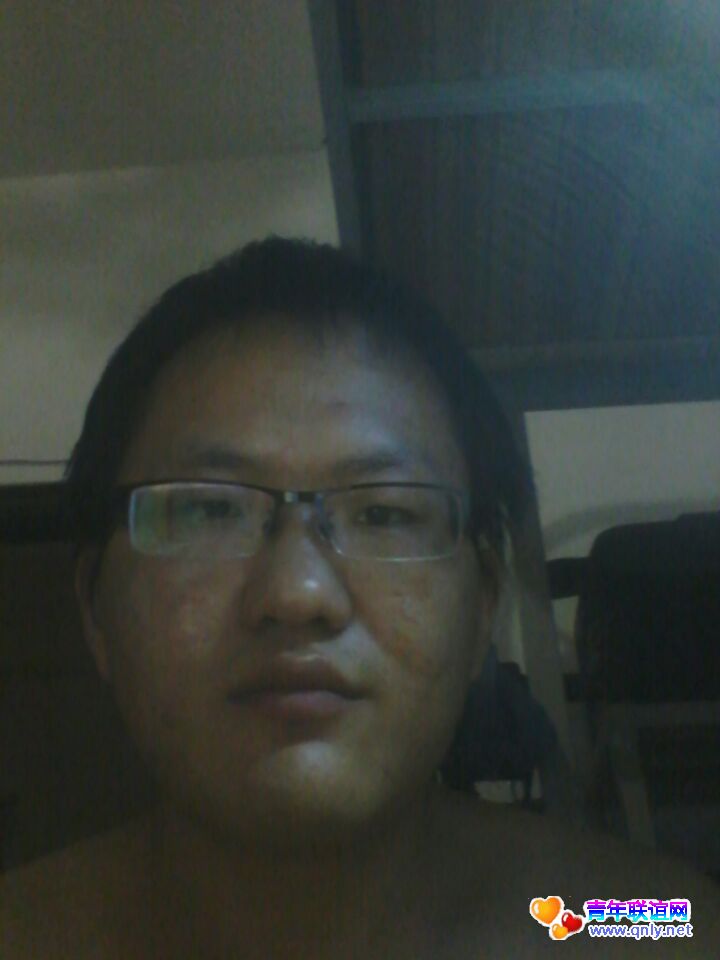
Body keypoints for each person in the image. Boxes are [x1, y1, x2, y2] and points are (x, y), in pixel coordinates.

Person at [2, 238, 718, 958]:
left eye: (382, 512)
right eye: (209, 511)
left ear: (481, 608)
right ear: (95, 610)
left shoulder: (648, 926)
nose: (297, 593)